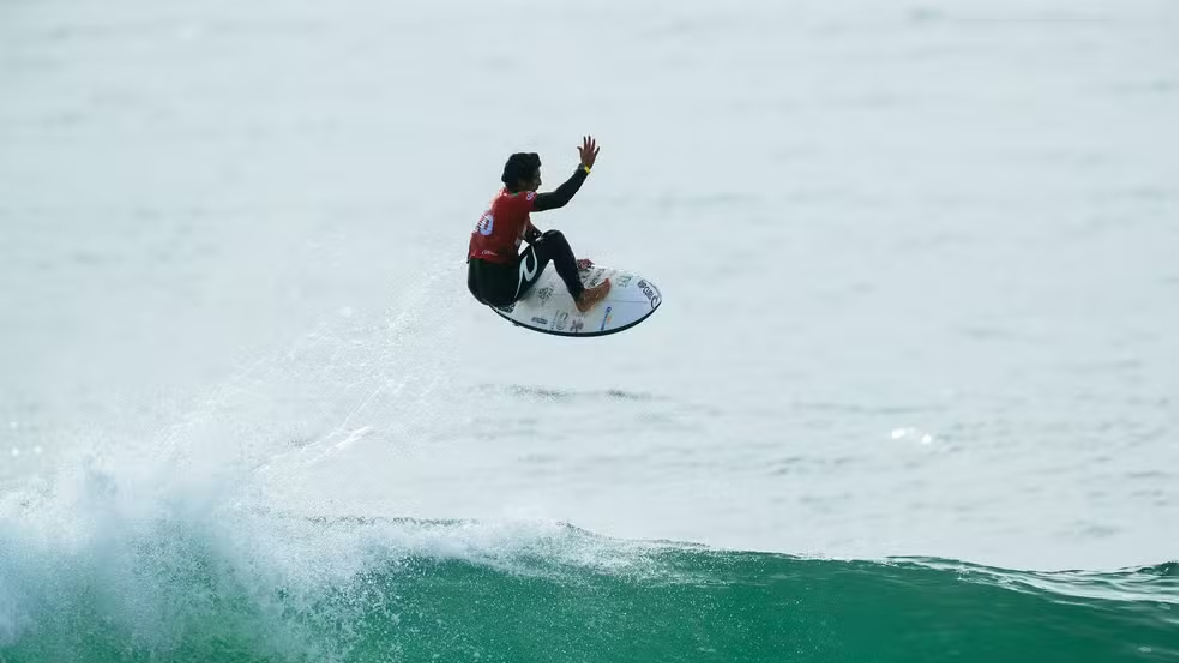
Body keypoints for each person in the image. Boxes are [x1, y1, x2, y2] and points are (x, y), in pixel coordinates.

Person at [467, 136, 611, 313]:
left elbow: (531, 235)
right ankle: (581, 297)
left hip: (477, 284)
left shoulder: (502, 199)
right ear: (521, 182)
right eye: (536, 178)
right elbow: (558, 199)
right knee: (554, 238)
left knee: (548, 241)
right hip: (501, 289)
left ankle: (504, 293)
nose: (540, 183)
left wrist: (567, 262)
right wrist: (584, 168)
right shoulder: (514, 202)